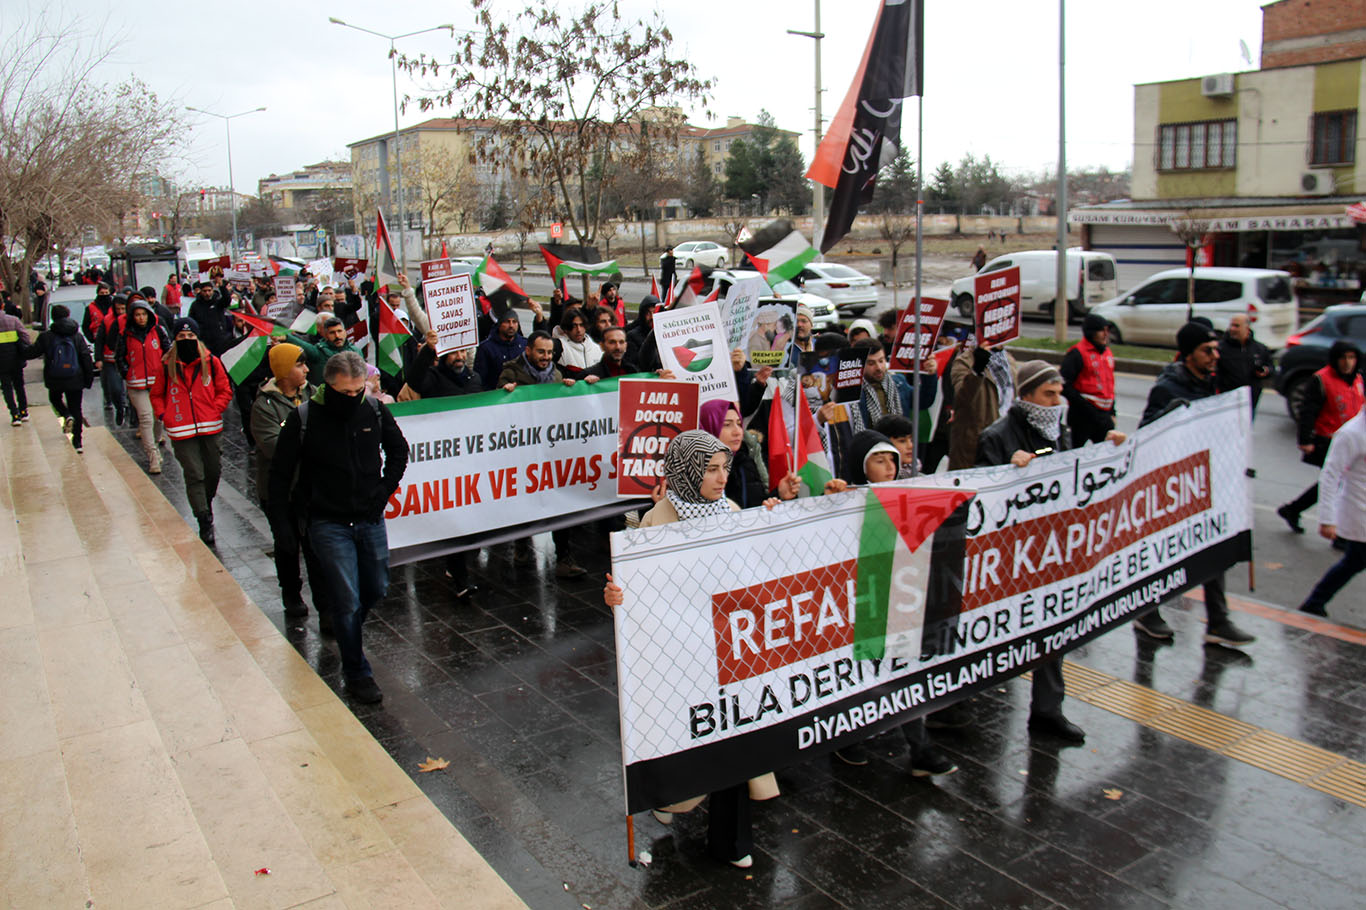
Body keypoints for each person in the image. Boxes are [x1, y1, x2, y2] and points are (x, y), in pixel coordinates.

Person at [603, 430, 763, 867]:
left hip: (725, 647)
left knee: (734, 738)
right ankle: (672, 798)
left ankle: (733, 843)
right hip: (680, 653)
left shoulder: (730, 511)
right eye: (710, 469)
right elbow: (635, 592)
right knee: (690, 736)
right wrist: (617, 597)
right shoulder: (657, 521)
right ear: (688, 471)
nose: (721, 477)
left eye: (724, 467)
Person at [976, 361, 1127, 743]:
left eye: (1059, 394)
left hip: (1049, 550)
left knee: (1052, 629)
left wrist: (1111, 453)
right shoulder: (998, 435)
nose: (1057, 401)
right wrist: (1007, 471)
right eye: (1049, 394)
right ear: (1026, 395)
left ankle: (1047, 710)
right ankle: (962, 706)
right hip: (1009, 554)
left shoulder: (1059, 429)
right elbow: (981, 495)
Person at [270, 351, 408, 705]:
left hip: (369, 517)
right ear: (328, 386)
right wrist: (284, 528)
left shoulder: (373, 409)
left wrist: (382, 492)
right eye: (345, 393)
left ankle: (348, 631)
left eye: (358, 391)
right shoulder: (303, 419)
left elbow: (398, 451)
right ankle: (356, 671)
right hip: (328, 523)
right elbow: (279, 477)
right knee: (345, 601)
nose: (353, 399)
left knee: (377, 587)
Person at [833, 429, 959, 775]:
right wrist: (834, 500)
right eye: (879, 460)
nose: (890, 467)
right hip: (854, 598)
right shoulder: (843, 497)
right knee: (859, 671)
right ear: (861, 465)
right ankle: (847, 739)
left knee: (901, 667)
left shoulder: (906, 496)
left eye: (893, 459)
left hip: (894, 590)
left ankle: (920, 749)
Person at [1137, 322, 1256, 647]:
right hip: (1172, 489)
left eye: (1216, 349)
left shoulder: (1213, 384)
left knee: (1211, 544)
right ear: (1188, 355)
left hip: (1203, 483)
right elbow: (1146, 435)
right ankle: (1147, 613)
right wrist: (1170, 417)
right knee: (1163, 552)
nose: (1215, 356)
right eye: (1207, 351)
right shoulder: (1168, 388)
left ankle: (1218, 620)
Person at [500, 331, 585, 577]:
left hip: (551, 451)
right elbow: (497, 403)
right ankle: (521, 543)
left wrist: (568, 388)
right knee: (524, 499)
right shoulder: (511, 372)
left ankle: (564, 557)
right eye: (541, 352)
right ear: (528, 351)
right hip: (523, 451)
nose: (546, 357)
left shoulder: (556, 375)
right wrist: (505, 391)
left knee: (560, 502)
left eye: (549, 352)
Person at [152, 317, 234, 545]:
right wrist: (164, 415)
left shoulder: (211, 362)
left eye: (190, 336)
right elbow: (157, 394)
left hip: (210, 427)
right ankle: (204, 518)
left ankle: (203, 504)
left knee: (213, 471)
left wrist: (214, 409)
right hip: (181, 429)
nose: (186, 340)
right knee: (194, 474)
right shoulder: (166, 364)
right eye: (181, 336)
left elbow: (224, 389)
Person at [1276, 340, 1363, 534]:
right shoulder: (1321, 379)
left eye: (1351, 358)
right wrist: (1305, 439)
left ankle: (1292, 509)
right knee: (1337, 481)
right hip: (1328, 440)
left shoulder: (1357, 379)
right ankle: (1340, 530)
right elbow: (1308, 411)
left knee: (1335, 481)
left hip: (1352, 441)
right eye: (1343, 358)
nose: (1347, 363)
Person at [1299, 408, 1366, 617]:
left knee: (1354, 561)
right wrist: (1327, 519)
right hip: (1360, 511)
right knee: (1355, 560)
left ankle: (1315, 601)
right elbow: (1330, 475)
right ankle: (1315, 601)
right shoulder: (1352, 434)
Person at [700, 399, 798, 507]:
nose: (737, 432)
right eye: (727, 425)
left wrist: (780, 494)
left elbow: (756, 506)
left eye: (739, 424)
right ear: (709, 427)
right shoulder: (698, 471)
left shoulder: (745, 462)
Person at [25, 304, 94, 451]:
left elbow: (31, 353)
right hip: (76, 378)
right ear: (68, 315)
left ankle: (65, 414)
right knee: (77, 408)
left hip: (55, 378)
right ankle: (78, 442)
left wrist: (19, 345)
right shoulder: (77, 336)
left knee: (55, 399)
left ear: (53, 317)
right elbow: (85, 357)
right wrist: (88, 379)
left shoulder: (46, 336)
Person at [115, 299, 170, 474]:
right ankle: (153, 456)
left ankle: (154, 442)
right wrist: (127, 373)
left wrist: (166, 371)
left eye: (143, 314)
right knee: (146, 417)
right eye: (137, 315)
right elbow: (120, 357)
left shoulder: (158, 331)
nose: (140, 318)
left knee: (158, 418)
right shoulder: (126, 335)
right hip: (137, 384)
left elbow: (168, 351)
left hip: (157, 382)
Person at [948, 342, 1017, 470]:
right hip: (975, 447)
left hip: (1005, 442)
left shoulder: (1009, 361)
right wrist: (977, 370)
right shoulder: (966, 361)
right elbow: (962, 399)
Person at [1060, 314, 1117, 445]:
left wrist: (1112, 412)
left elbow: (1109, 384)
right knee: (1075, 455)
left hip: (1104, 416)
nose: (1105, 334)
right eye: (1101, 330)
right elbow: (1064, 384)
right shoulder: (1077, 353)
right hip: (1082, 415)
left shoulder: (1107, 353)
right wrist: (1085, 407)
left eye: (1107, 330)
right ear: (1091, 332)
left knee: (1106, 454)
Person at [1215, 313, 1273, 421]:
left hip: (1250, 401)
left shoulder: (1259, 348)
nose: (1232, 329)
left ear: (1247, 328)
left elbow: (1270, 366)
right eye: (1231, 325)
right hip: (1227, 402)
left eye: (1236, 326)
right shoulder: (1220, 348)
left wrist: (1266, 371)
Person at [94, 294, 129, 425]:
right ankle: (120, 407)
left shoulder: (131, 319)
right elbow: (100, 340)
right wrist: (98, 358)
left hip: (128, 360)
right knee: (115, 388)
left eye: (123, 309)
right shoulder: (107, 320)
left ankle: (128, 409)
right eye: (118, 309)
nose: (120, 312)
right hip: (111, 361)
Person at [473, 307, 527, 391]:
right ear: (499, 324)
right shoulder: (486, 348)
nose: (511, 326)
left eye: (514, 322)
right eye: (507, 322)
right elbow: (481, 379)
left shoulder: (524, 344)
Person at [0, 304, 31, 426]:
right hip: (16, 359)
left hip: (1, 362)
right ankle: (24, 411)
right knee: (19, 386)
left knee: (6, 387)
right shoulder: (13, 320)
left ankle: (15, 414)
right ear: (2, 305)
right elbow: (25, 337)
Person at [186, 282, 234, 356]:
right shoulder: (195, 305)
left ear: (212, 290)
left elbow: (227, 299)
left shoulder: (218, 302)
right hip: (204, 341)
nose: (207, 293)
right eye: (204, 291)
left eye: (209, 290)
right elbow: (192, 321)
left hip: (219, 339)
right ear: (200, 291)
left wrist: (222, 286)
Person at [554, 308, 601, 379]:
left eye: (581, 325)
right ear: (567, 328)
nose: (579, 330)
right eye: (574, 326)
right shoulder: (560, 347)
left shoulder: (597, 349)